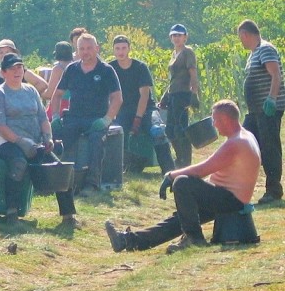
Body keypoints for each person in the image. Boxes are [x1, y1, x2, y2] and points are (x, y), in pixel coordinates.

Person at [104, 100, 261, 254]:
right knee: (180, 219)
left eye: (215, 120)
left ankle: (194, 238)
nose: (214, 124)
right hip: (227, 197)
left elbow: (202, 169)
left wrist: (171, 175)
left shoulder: (235, 144)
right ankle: (128, 240)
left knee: (182, 183)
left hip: (232, 201)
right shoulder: (245, 136)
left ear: (225, 119)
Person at [0, 52, 79, 227]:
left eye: (19, 67)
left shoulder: (31, 91)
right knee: (18, 164)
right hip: (7, 142)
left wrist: (48, 137)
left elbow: (43, 118)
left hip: (35, 141)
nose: (17, 71)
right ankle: (12, 214)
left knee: (60, 168)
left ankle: (69, 216)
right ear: (3, 72)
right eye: (12, 68)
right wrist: (20, 141)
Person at [49, 33, 122, 195]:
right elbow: (57, 94)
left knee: (96, 141)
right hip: (73, 117)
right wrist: (55, 116)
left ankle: (92, 184)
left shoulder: (106, 70)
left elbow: (117, 98)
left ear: (97, 49)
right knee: (54, 139)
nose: (85, 52)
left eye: (89, 48)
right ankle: (56, 181)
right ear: (77, 50)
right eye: (82, 48)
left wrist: (107, 119)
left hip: (97, 119)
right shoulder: (71, 69)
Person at [237, 20, 285, 204]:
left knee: (269, 147)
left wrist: (272, 99)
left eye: (240, 37)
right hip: (255, 110)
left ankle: (274, 189)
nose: (240, 42)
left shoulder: (266, 49)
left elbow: (275, 74)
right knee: (244, 143)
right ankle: (239, 188)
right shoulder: (254, 53)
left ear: (245, 34)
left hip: (268, 109)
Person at [108, 34, 173, 172]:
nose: (121, 51)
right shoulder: (110, 69)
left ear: (129, 49)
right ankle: (120, 169)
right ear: (113, 50)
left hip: (146, 109)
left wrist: (138, 118)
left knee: (158, 131)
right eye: (117, 48)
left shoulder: (140, 67)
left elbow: (144, 96)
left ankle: (169, 172)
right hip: (123, 110)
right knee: (114, 133)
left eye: (124, 48)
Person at [161, 24, 200, 168]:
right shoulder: (174, 53)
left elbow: (193, 73)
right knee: (170, 130)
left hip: (183, 94)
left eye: (179, 35)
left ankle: (186, 161)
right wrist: (165, 96)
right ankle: (179, 158)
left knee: (181, 128)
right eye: (174, 35)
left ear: (185, 37)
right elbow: (173, 78)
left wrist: (194, 93)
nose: (176, 38)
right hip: (174, 94)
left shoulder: (187, 52)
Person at [0, 38, 48, 114]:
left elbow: (42, 85)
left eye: (7, 52)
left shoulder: (22, 72)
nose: (3, 55)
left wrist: (26, 97)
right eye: (1, 52)